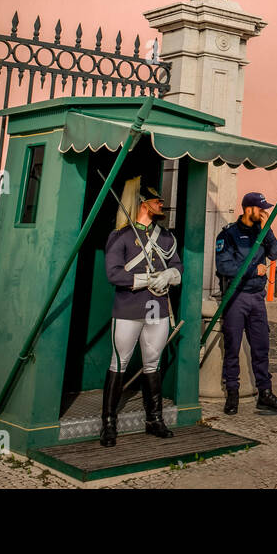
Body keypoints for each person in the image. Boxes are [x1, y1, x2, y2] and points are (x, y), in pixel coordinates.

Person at [101, 181, 182, 447]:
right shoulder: (121, 236)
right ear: (143, 204)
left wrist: (170, 274)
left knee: (152, 363)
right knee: (119, 363)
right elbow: (113, 273)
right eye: (156, 201)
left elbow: (177, 266)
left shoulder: (166, 237)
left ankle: (154, 419)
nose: (162, 204)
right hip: (129, 308)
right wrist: (147, 279)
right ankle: (109, 423)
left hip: (156, 309)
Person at [214, 192, 277, 415]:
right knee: (232, 347)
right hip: (236, 298)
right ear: (248, 209)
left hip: (257, 297)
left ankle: (265, 392)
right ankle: (233, 394)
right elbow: (224, 267)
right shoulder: (228, 235)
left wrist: (268, 231)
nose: (264, 212)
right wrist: (252, 270)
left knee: (261, 347)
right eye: (260, 209)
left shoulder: (261, 232)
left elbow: (275, 253)